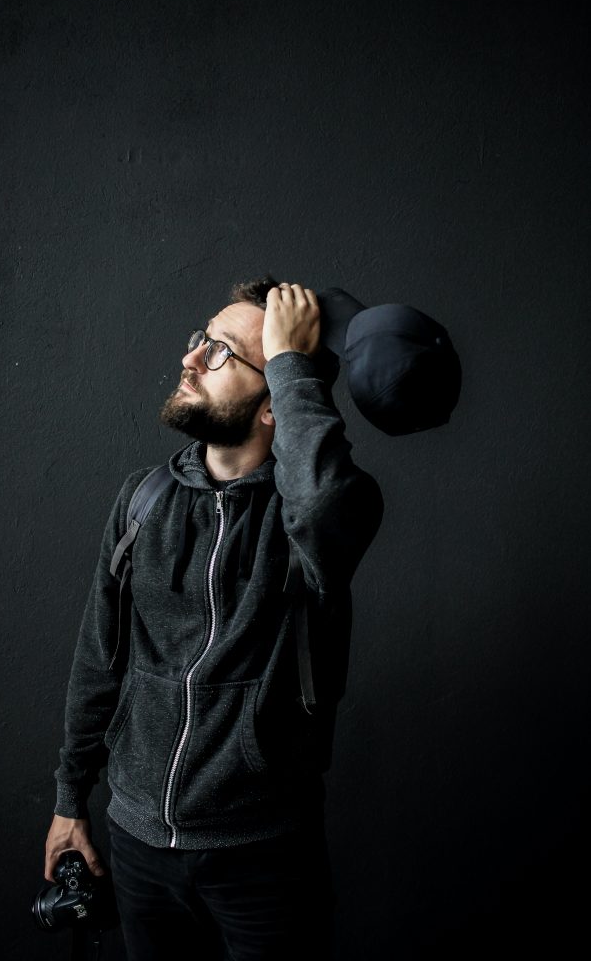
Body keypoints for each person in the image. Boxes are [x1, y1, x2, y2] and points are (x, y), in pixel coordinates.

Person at [44, 277, 384, 960]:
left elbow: (318, 505)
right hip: (136, 844)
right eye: (199, 340)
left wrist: (291, 361)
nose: (191, 359)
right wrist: (69, 797)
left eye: (222, 352)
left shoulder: (318, 519)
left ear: (273, 407)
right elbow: (98, 658)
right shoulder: (142, 500)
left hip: (262, 857)